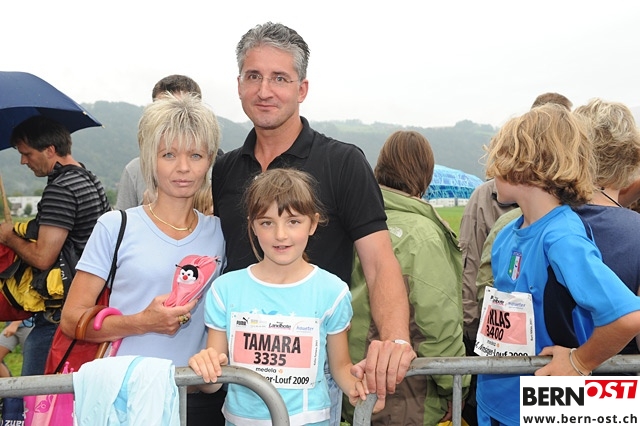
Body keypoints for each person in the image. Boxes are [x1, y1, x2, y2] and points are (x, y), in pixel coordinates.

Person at [211, 22, 415, 419]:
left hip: (314, 392)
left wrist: (395, 340)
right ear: (238, 84)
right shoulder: (225, 169)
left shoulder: (343, 163)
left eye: (279, 78)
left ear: (302, 89)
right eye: (253, 76)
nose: (264, 91)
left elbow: (379, 262)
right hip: (240, 390)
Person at [60, 93, 226, 425]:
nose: (183, 167)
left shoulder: (221, 233)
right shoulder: (116, 226)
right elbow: (71, 319)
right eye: (169, 154)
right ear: (150, 159)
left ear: (209, 160)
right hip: (125, 398)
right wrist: (142, 321)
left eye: (195, 155)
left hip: (196, 399)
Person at [475, 104, 640, 426]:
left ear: (528, 165)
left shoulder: (562, 237)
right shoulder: (507, 234)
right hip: (495, 398)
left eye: (500, 157)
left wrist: (579, 362)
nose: (491, 170)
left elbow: (627, 317)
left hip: (542, 405)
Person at [190, 168, 368, 425]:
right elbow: (213, 382)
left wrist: (360, 388)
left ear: (313, 224)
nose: (280, 234)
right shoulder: (225, 290)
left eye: (293, 221)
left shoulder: (332, 292)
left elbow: (340, 367)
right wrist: (204, 368)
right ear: (252, 225)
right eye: (267, 222)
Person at [344, 131, 470, 426]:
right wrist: (455, 385)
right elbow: (438, 324)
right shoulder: (423, 236)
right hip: (405, 394)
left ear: (380, 167)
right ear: (425, 174)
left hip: (352, 383)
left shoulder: (354, 222)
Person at [0, 116, 110, 376]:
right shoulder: (88, 178)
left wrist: (9, 237)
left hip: (59, 316)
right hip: (89, 303)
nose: (23, 161)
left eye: (27, 153)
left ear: (50, 150)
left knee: (38, 393)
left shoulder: (60, 189)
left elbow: (43, 257)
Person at [115, 74, 203, 210]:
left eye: (180, 109)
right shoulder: (135, 170)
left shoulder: (220, 171)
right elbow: (123, 219)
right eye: (161, 109)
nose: (171, 118)